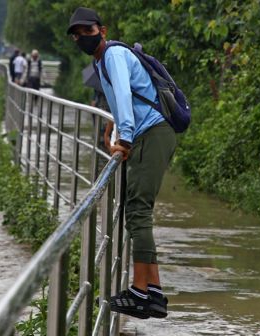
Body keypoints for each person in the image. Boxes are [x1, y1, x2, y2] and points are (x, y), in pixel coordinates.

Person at [67, 7, 176, 320]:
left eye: (87, 31)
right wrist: (113, 125)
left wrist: (123, 140)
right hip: (149, 133)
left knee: (138, 209)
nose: (82, 38)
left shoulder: (112, 55)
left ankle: (139, 292)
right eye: (76, 35)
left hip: (150, 134)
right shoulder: (101, 61)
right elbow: (125, 98)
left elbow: (128, 99)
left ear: (102, 29)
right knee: (136, 209)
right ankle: (154, 292)